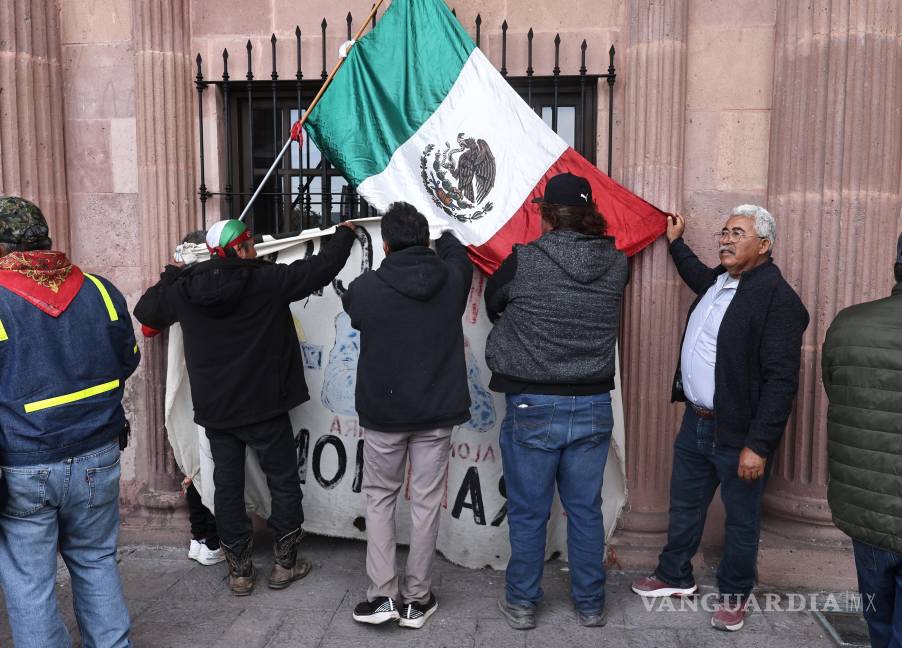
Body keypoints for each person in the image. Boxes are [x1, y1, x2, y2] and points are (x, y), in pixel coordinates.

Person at [134, 217, 356, 596]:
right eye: (250, 244)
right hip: (266, 405)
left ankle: (240, 571)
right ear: (238, 248)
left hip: (218, 411)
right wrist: (345, 235)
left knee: (227, 487)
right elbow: (320, 268)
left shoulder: (185, 289)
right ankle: (285, 564)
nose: (254, 250)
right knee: (282, 481)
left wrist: (172, 273)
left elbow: (147, 311)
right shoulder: (265, 280)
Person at [630, 206, 809, 632]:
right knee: (685, 505)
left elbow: (781, 382)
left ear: (763, 245)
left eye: (737, 233)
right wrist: (675, 243)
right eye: (724, 232)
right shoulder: (718, 280)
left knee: (742, 520)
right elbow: (695, 273)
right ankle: (675, 575)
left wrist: (758, 445)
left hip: (739, 433)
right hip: (696, 422)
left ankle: (734, 595)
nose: (726, 239)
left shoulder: (778, 299)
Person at [486, 173, 629, 630]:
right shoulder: (618, 264)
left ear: (547, 215)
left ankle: (522, 603)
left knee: (529, 512)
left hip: (534, 403)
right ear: (590, 215)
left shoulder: (524, 260)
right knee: (585, 510)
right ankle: (590, 605)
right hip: (593, 403)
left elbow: (493, 302)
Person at [0, 196, 139, 646]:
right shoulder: (100, 289)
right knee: (97, 559)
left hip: (23, 465)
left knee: (29, 580)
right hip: (99, 454)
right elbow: (127, 360)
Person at [342, 202, 473, 629]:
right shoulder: (452, 279)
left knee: (380, 499)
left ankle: (383, 596)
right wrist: (443, 227)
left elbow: (354, 310)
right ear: (425, 239)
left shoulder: (366, 289)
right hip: (436, 413)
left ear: (385, 245)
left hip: (384, 414)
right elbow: (458, 251)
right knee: (426, 503)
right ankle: (417, 599)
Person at [821, 234, 902, 648]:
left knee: (879, 622)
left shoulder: (850, 323)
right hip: (871, 506)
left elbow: (836, 390)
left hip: (867, 508)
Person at [141, 230, 223, 566]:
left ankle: (200, 536)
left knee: (193, 458)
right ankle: (211, 538)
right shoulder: (216, 284)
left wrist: (171, 277)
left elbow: (149, 326)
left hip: (190, 382)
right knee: (209, 461)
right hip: (212, 381)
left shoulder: (178, 288)